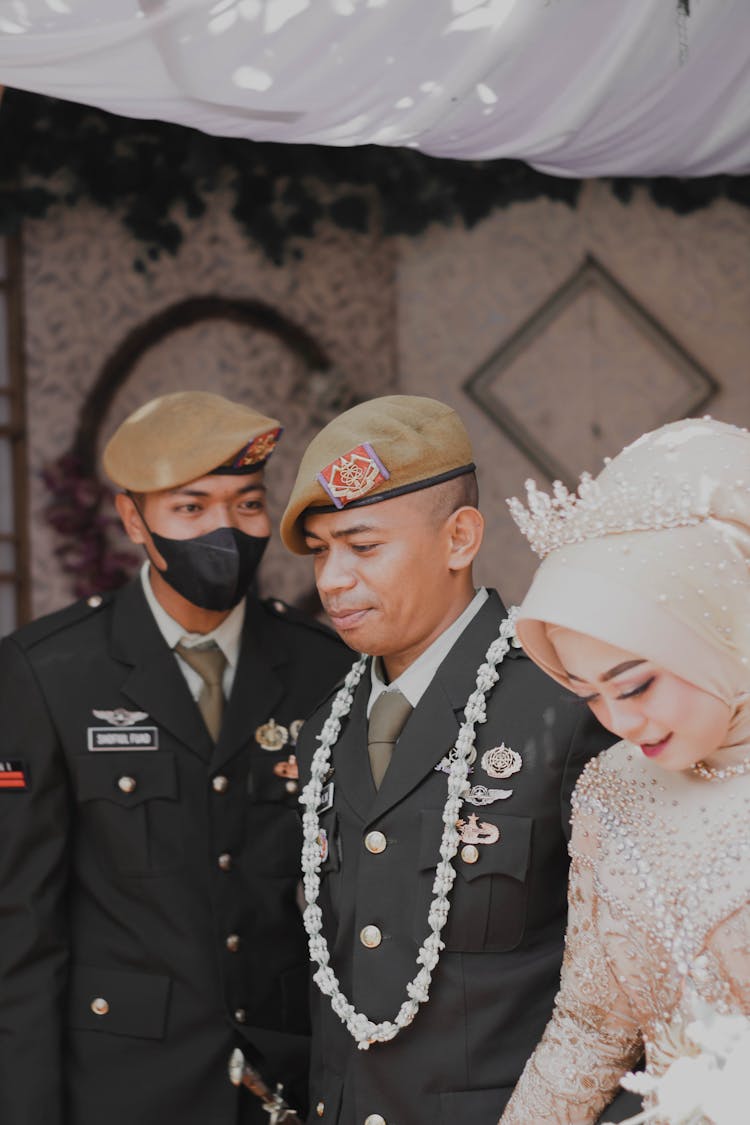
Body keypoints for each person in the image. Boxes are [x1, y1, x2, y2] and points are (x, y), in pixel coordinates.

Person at [277, 394, 633, 1124]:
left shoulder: (565, 705)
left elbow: (630, 997)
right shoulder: (322, 731)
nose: (333, 578)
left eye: (363, 545)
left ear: (460, 538)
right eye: (320, 551)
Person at [0, 391, 352, 1125]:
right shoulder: (48, 673)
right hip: (123, 1091)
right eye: (191, 509)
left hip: (282, 1089)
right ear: (134, 519)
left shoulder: (325, 669)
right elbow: (21, 931)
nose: (224, 530)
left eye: (246, 504)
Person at [499, 417, 750, 1124]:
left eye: (634, 683)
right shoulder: (611, 788)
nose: (619, 721)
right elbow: (589, 1030)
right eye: (588, 694)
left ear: (724, 621)